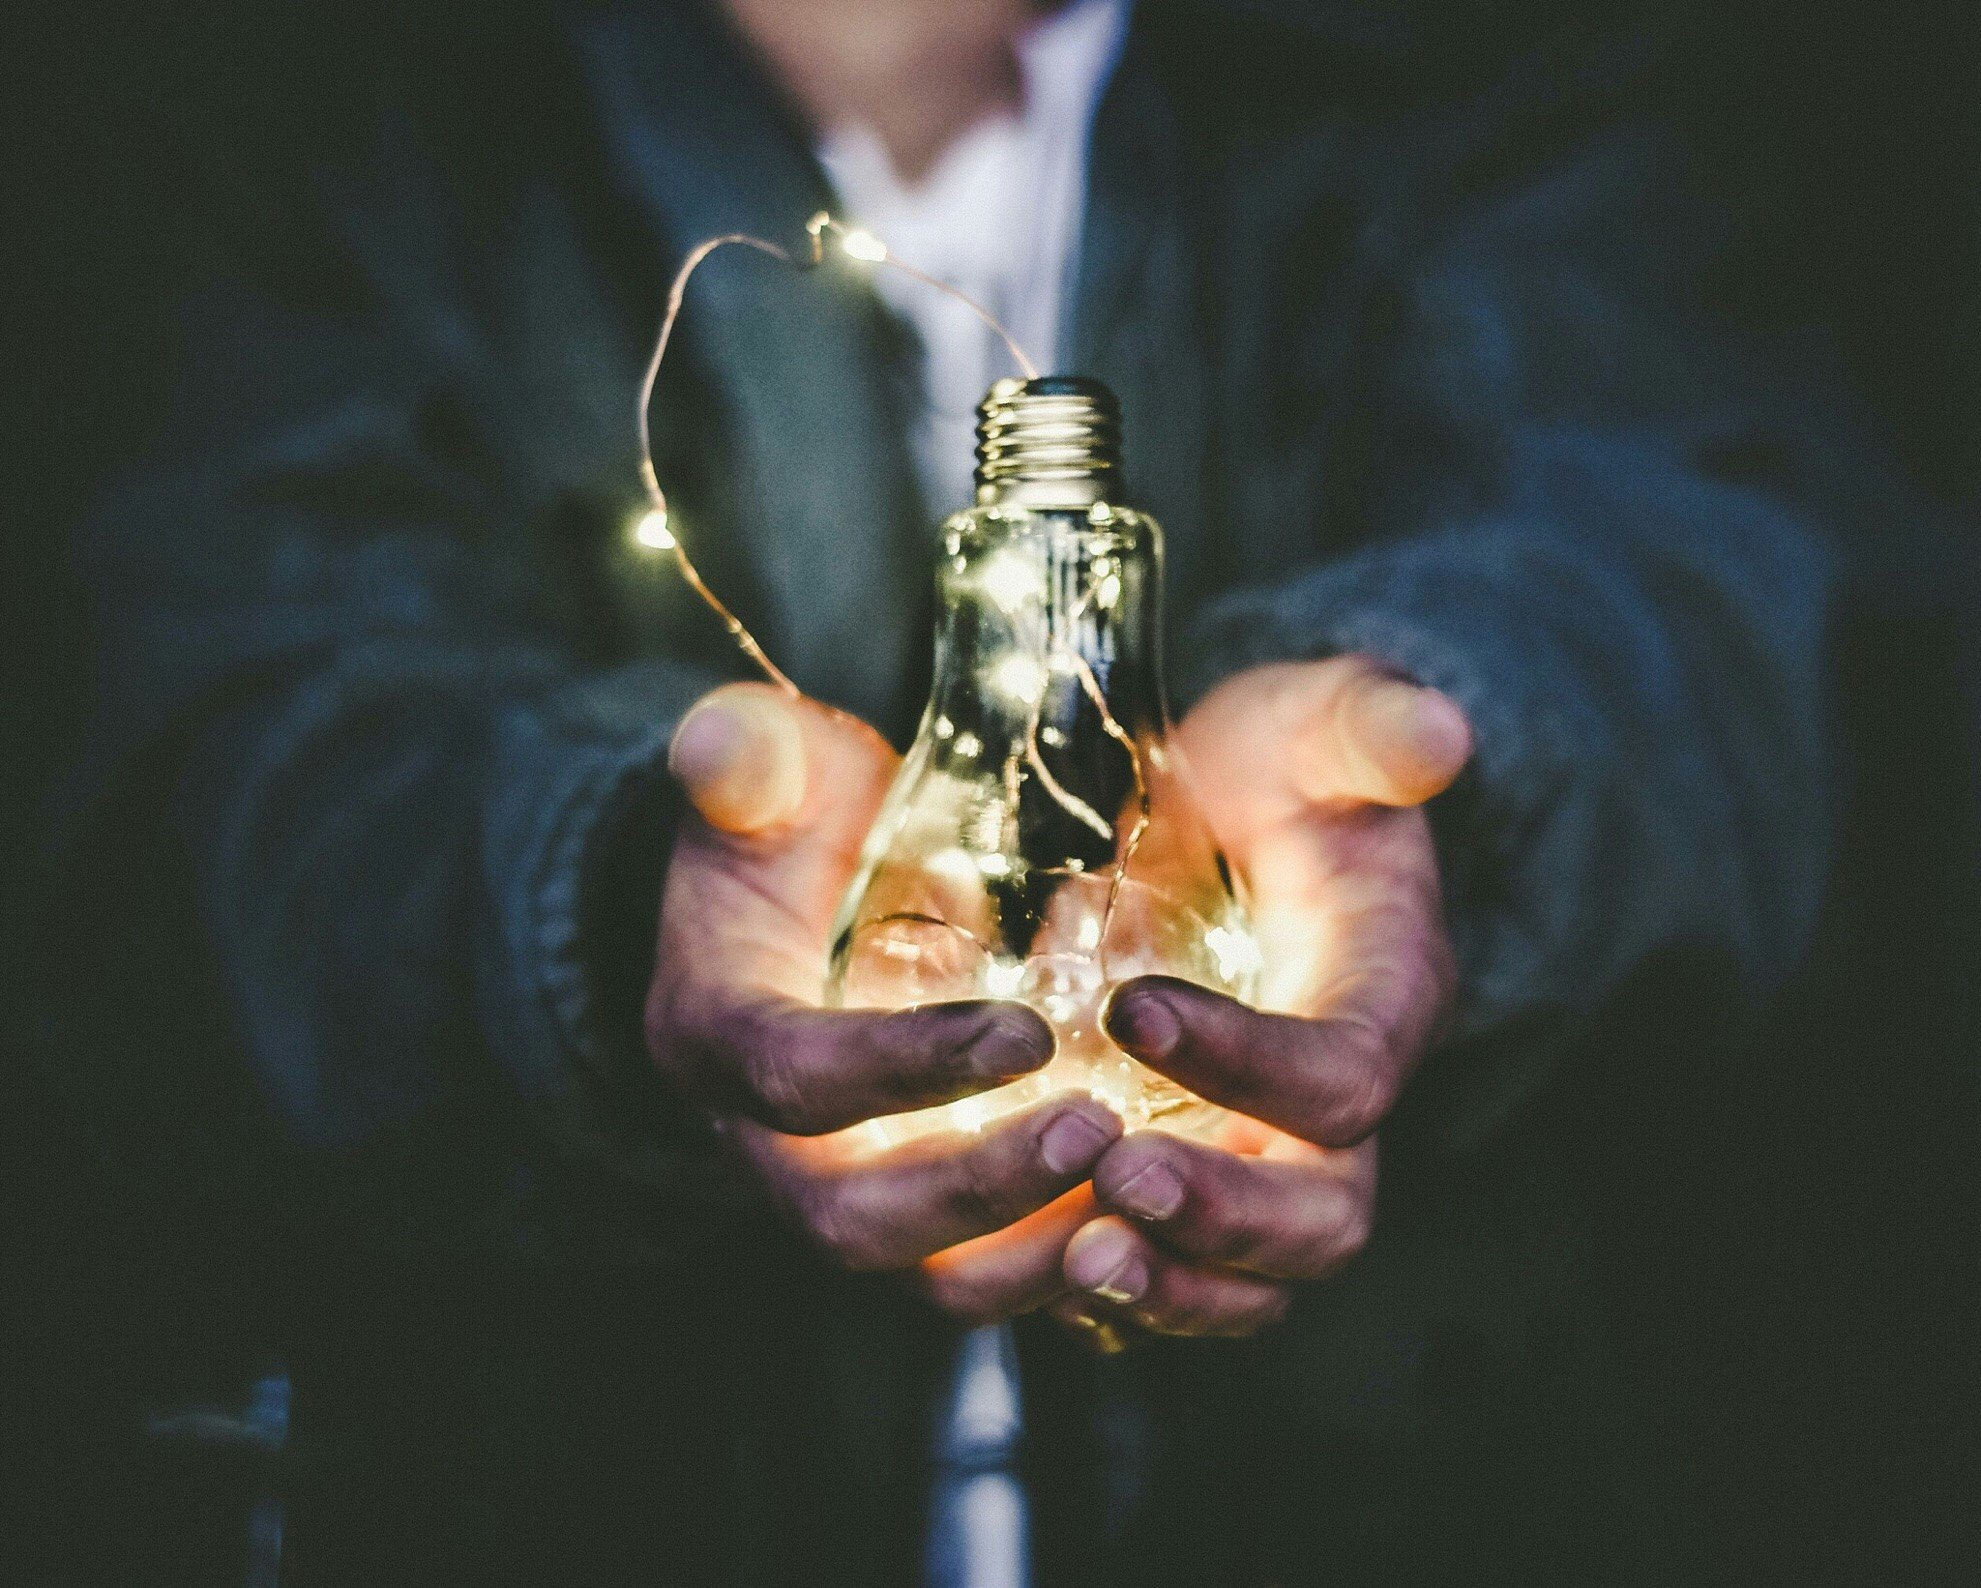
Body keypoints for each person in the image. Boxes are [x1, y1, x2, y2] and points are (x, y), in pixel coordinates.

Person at [48, 0, 1868, 1580]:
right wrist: (603, 908)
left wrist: (1443, 780)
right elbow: (192, 737)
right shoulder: (367, 123)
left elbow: (1712, 568)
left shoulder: (1469, 78)